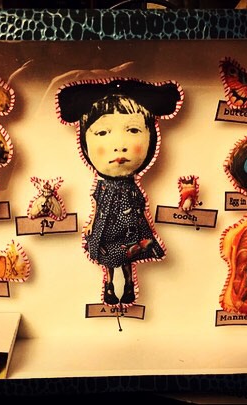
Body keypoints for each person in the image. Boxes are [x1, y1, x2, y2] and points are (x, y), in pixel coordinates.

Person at [56, 78, 183, 305]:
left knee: (127, 258)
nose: (119, 145)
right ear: (85, 140)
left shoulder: (131, 187)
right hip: (105, 229)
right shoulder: (102, 186)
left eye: (133, 130)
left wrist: (139, 227)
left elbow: (140, 206)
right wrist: (91, 224)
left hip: (129, 231)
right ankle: (109, 286)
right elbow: (97, 205)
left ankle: (129, 286)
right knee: (108, 258)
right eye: (102, 132)